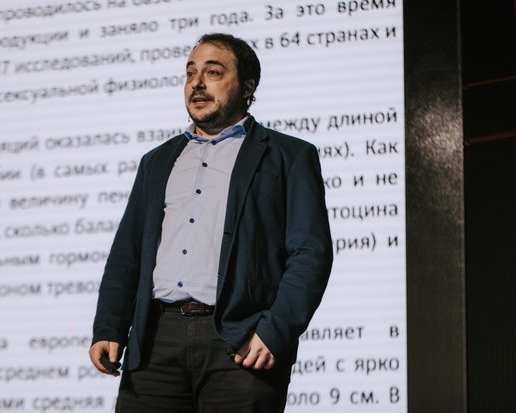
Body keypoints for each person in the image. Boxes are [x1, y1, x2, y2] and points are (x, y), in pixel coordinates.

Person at [89, 32, 333, 412]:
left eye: (213, 72)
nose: (197, 83)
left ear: (248, 87)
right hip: (156, 341)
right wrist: (109, 325)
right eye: (190, 73)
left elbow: (310, 253)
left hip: (240, 342)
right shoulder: (157, 161)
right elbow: (128, 252)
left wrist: (275, 331)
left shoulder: (288, 156)